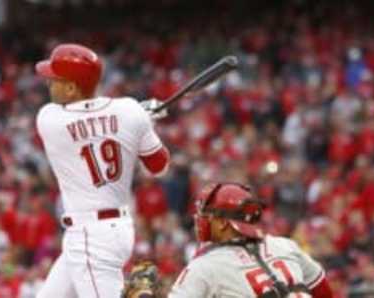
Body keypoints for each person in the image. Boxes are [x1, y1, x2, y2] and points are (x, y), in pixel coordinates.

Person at [34, 44, 170, 298]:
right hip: (110, 229)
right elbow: (159, 166)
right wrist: (144, 123)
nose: (49, 84)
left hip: (92, 237)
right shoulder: (130, 110)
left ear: (72, 88)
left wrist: (139, 119)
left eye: (55, 80)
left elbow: (90, 123)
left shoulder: (49, 119)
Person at [123, 183, 333, 298]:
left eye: (207, 216)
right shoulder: (285, 245)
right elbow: (323, 290)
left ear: (223, 223)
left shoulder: (205, 266)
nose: (201, 221)